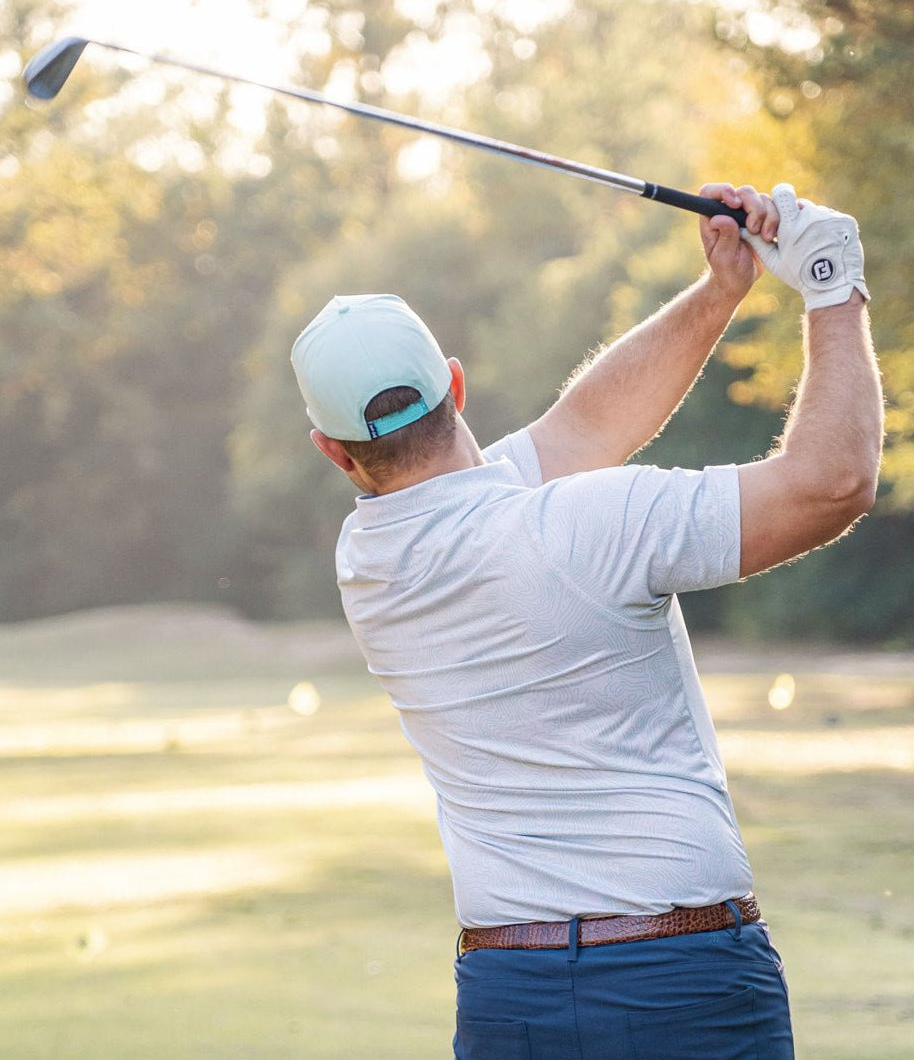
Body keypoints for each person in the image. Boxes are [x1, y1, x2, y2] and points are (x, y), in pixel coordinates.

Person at [290, 182, 883, 1060]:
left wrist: (721, 290)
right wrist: (832, 285)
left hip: (508, 998)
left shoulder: (370, 564)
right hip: (684, 981)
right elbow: (832, 482)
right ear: (455, 382)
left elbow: (580, 431)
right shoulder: (592, 523)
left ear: (332, 450)